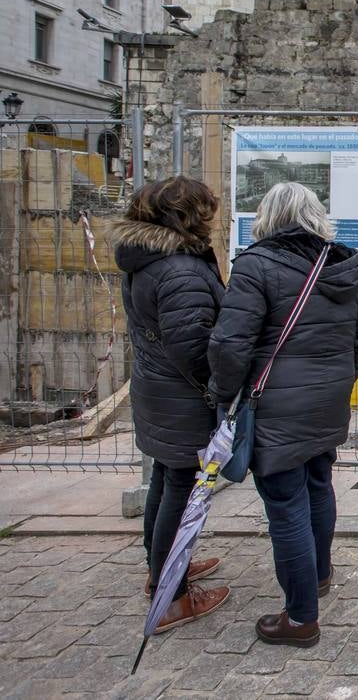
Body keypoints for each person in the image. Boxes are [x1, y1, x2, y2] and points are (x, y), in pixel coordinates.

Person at [208, 182, 358, 647]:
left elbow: (230, 344)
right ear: (315, 215)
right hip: (325, 401)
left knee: (286, 505)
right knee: (318, 485)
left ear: (267, 216)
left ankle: (302, 617)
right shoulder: (344, 262)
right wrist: (338, 379)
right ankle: (319, 575)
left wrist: (226, 396)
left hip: (274, 406)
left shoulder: (255, 264)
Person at [110, 176, 230, 632]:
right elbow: (194, 347)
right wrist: (220, 387)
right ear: (189, 216)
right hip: (182, 395)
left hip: (157, 389)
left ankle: (161, 573)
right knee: (181, 490)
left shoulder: (146, 258)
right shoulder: (179, 269)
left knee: (165, 478)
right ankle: (172, 598)